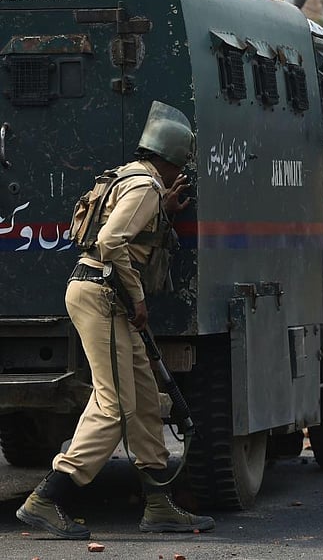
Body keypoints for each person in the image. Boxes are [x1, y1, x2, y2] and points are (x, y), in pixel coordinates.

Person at [16, 102, 213, 539]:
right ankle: (48, 497)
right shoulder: (146, 186)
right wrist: (139, 298)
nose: (178, 173)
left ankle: (159, 505)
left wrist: (163, 210)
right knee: (116, 406)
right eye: (178, 165)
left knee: (143, 397)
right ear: (169, 160)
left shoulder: (129, 177)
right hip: (105, 296)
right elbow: (110, 241)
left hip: (102, 294)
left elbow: (124, 228)